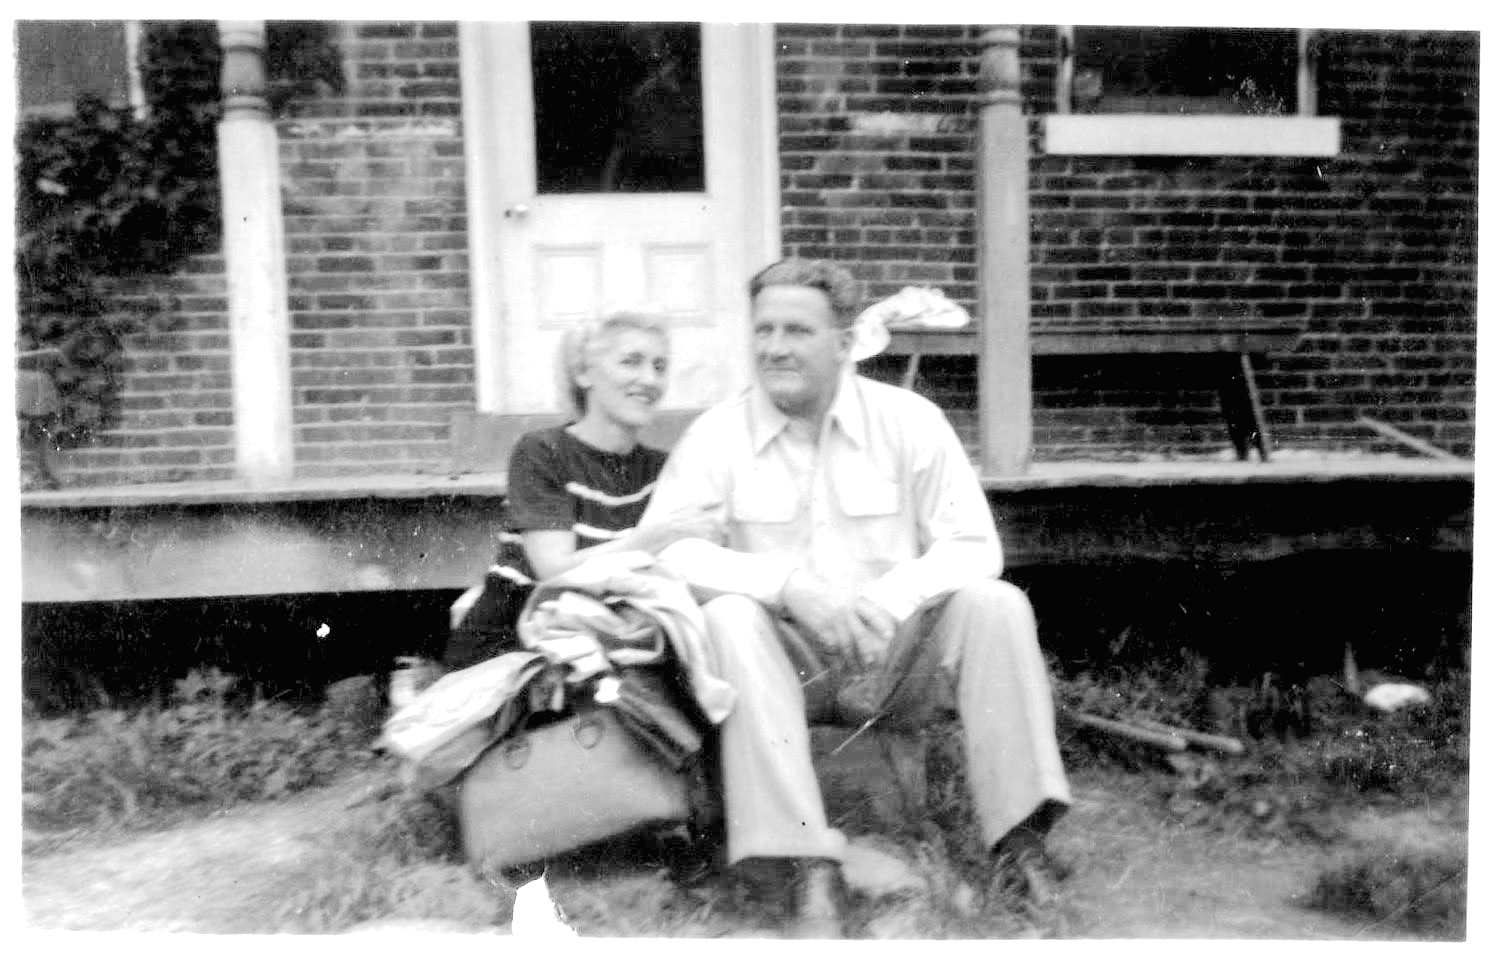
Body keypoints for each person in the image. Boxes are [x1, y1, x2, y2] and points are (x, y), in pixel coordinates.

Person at [640, 259, 1073, 938]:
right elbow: (668, 552)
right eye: (763, 330)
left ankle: (1019, 843)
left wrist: (894, 596)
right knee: (727, 614)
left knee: (996, 604)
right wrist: (785, 584)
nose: (774, 347)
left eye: (796, 331)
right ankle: (803, 864)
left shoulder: (910, 421)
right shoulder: (716, 437)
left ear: (844, 342)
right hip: (785, 671)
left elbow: (973, 543)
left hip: (895, 661)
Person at [444, 310, 714, 670]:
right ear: (584, 373)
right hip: (514, 641)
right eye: (631, 362)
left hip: (609, 639)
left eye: (660, 366)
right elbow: (555, 571)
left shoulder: (662, 469)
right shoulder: (544, 452)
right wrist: (654, 539)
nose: (650, 379)